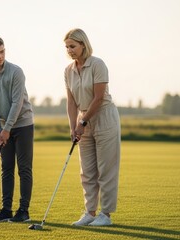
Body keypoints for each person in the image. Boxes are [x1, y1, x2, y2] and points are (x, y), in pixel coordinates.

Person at [63, 28, 121, 226]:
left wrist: (83, 122)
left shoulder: (98, 64)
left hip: (104, 116)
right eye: (67, 47)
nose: (69, 50)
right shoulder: (68, 70)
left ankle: (105, 214)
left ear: (83, 45)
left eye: (73, 46)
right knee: (86, 170)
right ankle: (89, 212)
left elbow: (98, 98)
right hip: (82, 120)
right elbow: (71, 102)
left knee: (106, 168)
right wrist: (73, 127)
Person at [0, 35, 34, 222]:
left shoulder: (16, 72)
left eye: (2, 52)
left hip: (24, 123)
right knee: (7, 168)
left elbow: (16, 102)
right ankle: (6, 210)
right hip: (4, 128)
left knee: (24, 168)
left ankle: (24, 211)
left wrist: (7, 128)